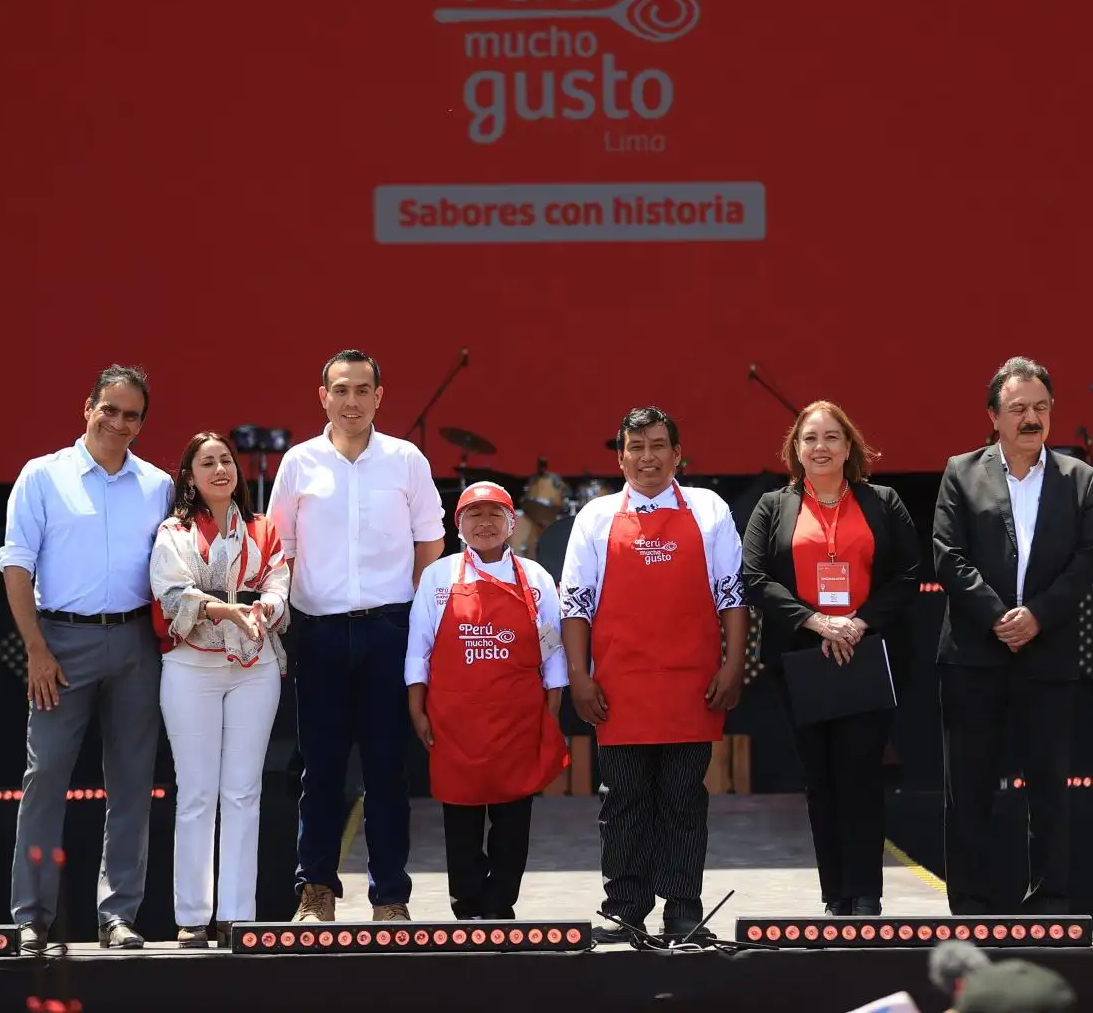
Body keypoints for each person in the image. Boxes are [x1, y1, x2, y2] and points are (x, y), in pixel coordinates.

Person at [559, 406, 750, 945]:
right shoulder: (594, 517)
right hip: (619, 688)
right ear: (620, 456)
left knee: (685, 800)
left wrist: (733, 664)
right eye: (636, 447)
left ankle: (684, 909)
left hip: (692, 684)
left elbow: (731, 595)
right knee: (622, 800)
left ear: (677, 454)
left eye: (658, 445)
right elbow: (576, 605)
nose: (648, 457)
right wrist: (580, 676)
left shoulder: (709, 509)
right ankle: (624, 908)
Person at [268, 349, 446, 923]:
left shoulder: (406, 460)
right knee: (318, 768)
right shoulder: (299, 463)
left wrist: (412, 616)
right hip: (318, 633)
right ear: (323, 396)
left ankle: (390, 895)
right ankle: (315, 889)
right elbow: (281, 549)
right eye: (340, 390)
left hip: (388, 631)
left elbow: (429, 543)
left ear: (379, 396)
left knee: (386, 771)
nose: (351, 401)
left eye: (362, 390)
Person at [0, 365, 171, 951]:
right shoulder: (42, 476)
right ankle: (32, 917)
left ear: (142, 423)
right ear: (88, 408)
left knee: (131, 784)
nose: (119, 423)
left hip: (134, 644)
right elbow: (16, 566)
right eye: (110, 410)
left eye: (132, 415)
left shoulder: (158, 485)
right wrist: (37, 651)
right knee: (45, 776)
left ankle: (117, 914)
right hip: (61, 642)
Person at [932, 357, 1093, 916]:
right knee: (970, 789)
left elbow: (1088, 560)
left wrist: (1037, 616)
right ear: (993, 416)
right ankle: (972, 907)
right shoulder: (961, 471)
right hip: (975, 655)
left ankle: (1050, 902)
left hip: (1048, 654)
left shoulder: (1080, 478)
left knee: (1050, 788)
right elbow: (947, 556)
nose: (1031, 418)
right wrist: (1000, 616)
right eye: (1018, 409)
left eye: (1040, 408)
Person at [741, 401, 919, 917]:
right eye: (810, 439)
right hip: (803, 656)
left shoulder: (882, 501)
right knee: (820, 779)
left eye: (831, 438)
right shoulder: (773, 506)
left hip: (866, 652)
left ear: (849, 447)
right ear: (795, 450)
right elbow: (755, 578)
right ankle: (836, 895)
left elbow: (908, 574)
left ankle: (866, 893)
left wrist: (857, 623)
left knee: (862, 775)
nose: (820, 447)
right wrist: (817, 622)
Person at [149, 432, 291, 947]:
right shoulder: (174, 530)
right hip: (191, 666)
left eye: (225, 460)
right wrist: (225, 609)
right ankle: (191, 916)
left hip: (254, 664)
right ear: (189, 476)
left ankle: (236, 915)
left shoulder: (263, 527)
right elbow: (169, 594)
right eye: (206, 463)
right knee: (197, 793)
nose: (219, 469)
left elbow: (279, 583)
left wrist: (265, 609)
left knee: (243, 792)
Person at [405, 481, 568, 920]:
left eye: (495, 514)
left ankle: (500, 905)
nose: (485, 523)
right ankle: (468, 904)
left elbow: (553, 650)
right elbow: (419, 649)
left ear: (512, 523)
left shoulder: (536, 580)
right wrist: (416, 707)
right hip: (454, 720)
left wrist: (549, 713)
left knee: (513, 817)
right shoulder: (439, 577)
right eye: (474, 515)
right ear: (459, 526)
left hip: (518, 718)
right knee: (460, 816)